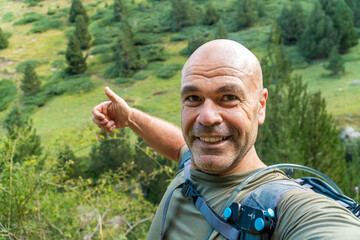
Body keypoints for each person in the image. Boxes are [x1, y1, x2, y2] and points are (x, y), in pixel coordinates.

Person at [92, 40, 360, 239]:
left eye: (229, 97)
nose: (207, 118)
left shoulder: (283, 205)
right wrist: (130, 118)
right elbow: (177, 146)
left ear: (261, 105)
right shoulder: (192, 161)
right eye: (193, 98)